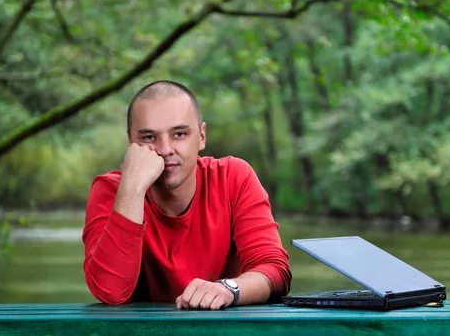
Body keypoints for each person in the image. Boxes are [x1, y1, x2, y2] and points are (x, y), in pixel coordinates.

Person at [82, 80, 292, 310]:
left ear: (201, 137)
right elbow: (109, 291)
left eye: (179, 134)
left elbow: (275, 270)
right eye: (149, 137)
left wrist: (227, 289)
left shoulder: (233, 178)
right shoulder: (111, 190)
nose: (164, 149)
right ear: (130, 143)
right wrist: (132, 189)